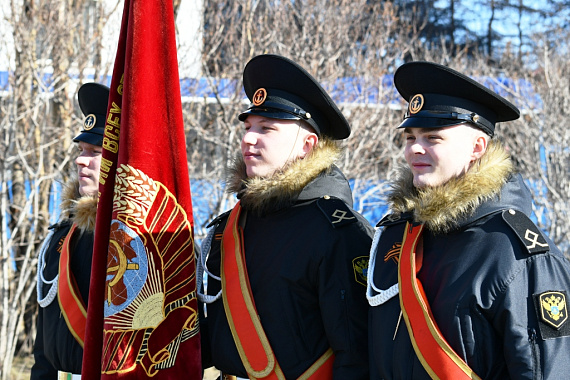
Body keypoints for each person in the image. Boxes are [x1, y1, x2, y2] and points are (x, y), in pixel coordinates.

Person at [367, 61, 570, 379]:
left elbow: (548, 370)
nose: (414, 149)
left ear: (478, 147)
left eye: (433, 137)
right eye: (409, 137)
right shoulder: (398, 235)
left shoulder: (514, 251)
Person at [198, 54, 373, 379]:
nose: (249, 138)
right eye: (248, 127)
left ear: (307, 145)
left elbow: (357, 353)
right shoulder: (231, 225)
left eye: (266, 129)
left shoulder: (337, 230)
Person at [32, 82, 109, 379]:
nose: (80, 159)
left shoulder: (142, 244)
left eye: (95, 151)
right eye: (81, 149)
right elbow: (44, 350)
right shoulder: (60, 240)